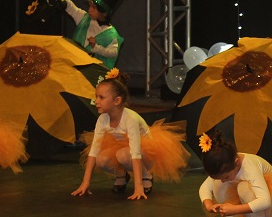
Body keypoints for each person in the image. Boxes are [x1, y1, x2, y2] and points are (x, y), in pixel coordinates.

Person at [73, 69, 189, 200]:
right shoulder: (102, 119)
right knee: (101, 159)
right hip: (123, 148)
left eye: (101, 97)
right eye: (96, 97)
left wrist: (138, 186)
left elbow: (135, 153)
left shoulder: (130, 119)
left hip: (147, 152)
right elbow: (94, 150)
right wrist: (85, 182)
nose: (96, 101)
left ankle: (146, 176)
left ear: (117, 101)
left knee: (122, 155)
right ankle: (122, 174)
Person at [50, 0, 124, 70]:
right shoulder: (84, 18)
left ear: (104, 12)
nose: (89, 9)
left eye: (94, 7)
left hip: (92, 72)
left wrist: (97, 48)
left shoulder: (111, 34)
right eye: (90, 5)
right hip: (74, 67)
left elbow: (113, 53)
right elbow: (72, 8)